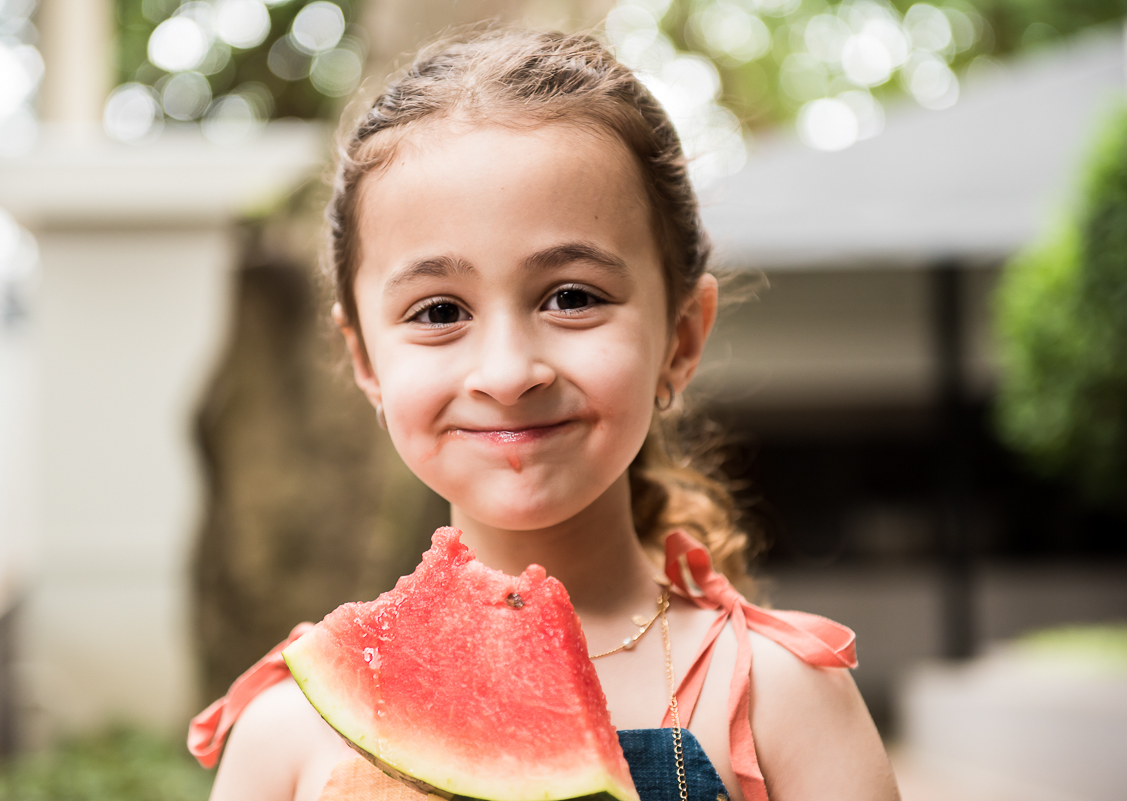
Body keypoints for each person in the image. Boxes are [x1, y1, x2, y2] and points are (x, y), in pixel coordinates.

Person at [189, 28, 900, 801]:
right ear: (365, 360)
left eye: (572, 297)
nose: (507, 373)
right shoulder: (287, 731)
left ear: (681, 338)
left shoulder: (785, 699)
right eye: (439, 310)